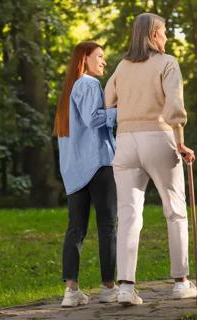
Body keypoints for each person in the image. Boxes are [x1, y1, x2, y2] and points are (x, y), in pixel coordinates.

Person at [104, 13, 197, 305]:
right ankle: (181, 282)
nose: (166, 37)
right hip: (158, 138)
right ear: (151, 35)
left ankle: (125, 287)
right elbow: (174, 107)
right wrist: (181, 143)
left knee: (128, 215)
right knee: (175, 211)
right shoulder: (167, 63)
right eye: (163, 32)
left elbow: (108, 99)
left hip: (125, 143)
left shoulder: (122, 66)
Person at [53, 41, 119, 307]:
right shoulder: (89, 84)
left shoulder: (68, 90)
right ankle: (109, 288)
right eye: (100, 57)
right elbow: (94, 119)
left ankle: (71, 291)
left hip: (73, 169)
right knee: (108, 226)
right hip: (99, 164)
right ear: (85, 58)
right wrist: (122, 111)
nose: (104, 62)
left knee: (76, 228)